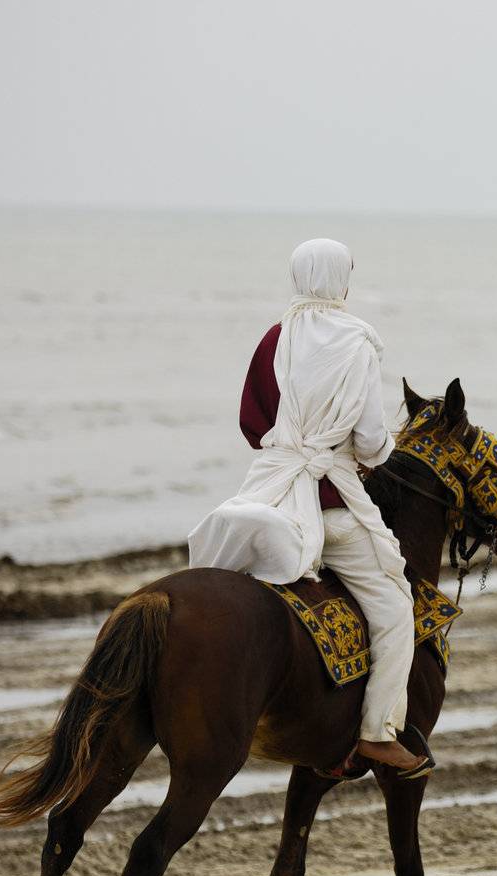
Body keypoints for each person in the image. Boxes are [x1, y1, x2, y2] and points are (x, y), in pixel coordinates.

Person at [188, 239, 428, 773]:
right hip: (331, 506)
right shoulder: (358, 341)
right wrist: (370, 453)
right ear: (340, 278)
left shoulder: (274, 338)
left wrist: (292, 452)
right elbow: (368, 440)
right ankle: (376, 732)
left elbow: (253, 426)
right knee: (394, 607)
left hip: (269, 494)